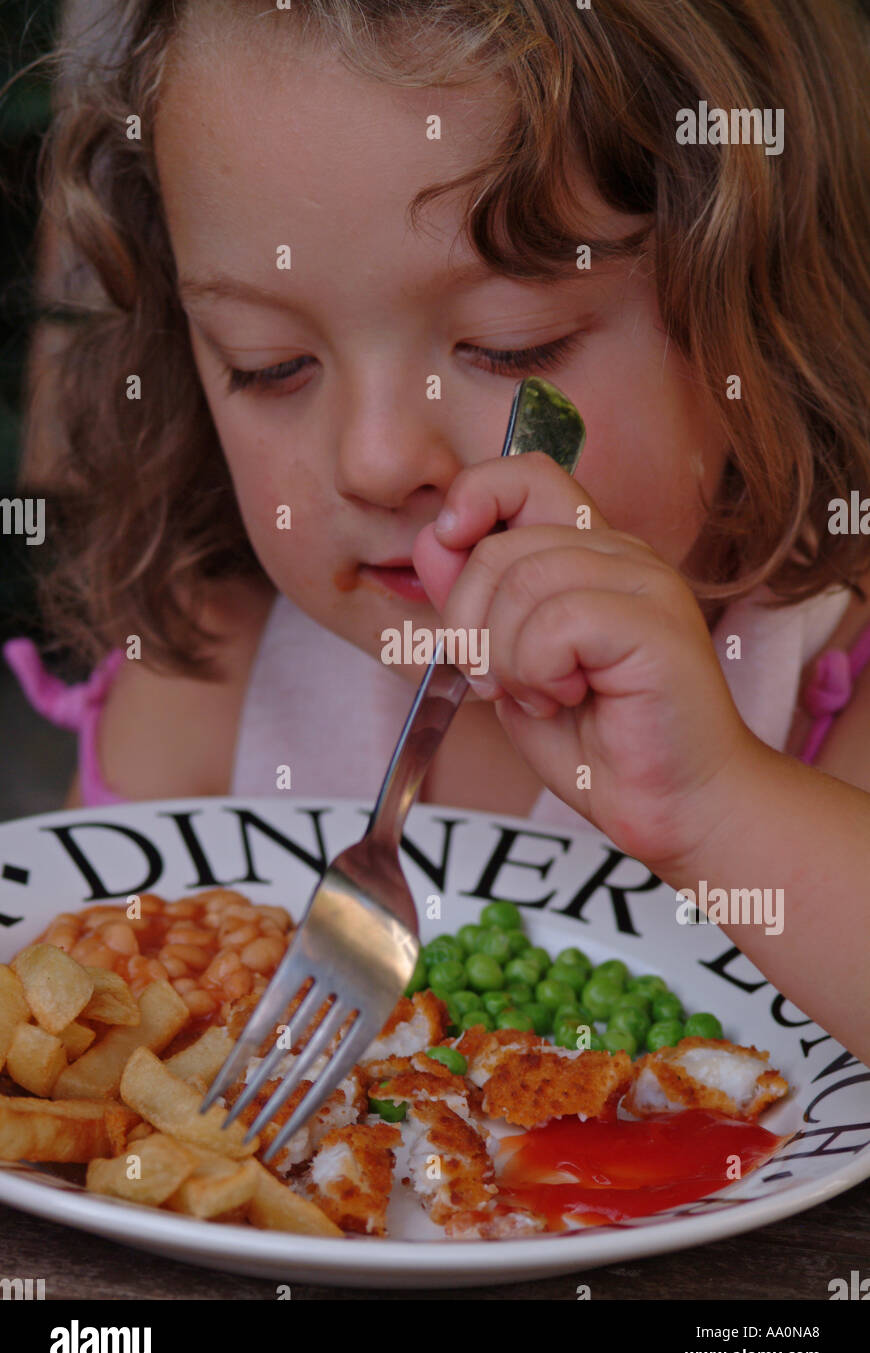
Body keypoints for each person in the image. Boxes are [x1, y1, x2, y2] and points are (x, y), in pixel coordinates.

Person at [3, 0, 869, 1063]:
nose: (373, 458)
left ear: (766, 311)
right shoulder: (207, 665)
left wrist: (717, 804)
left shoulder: (830, 671)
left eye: (512, 345)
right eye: (267, 362)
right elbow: (71, 1018)